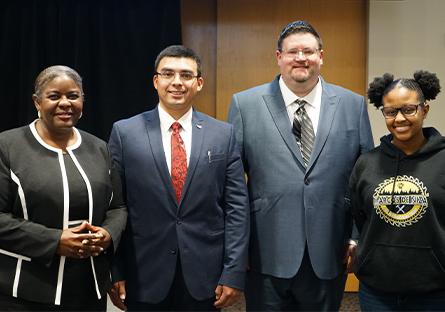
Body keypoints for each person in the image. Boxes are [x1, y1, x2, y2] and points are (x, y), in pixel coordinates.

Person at [227, 20, 374, 311]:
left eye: (309, 51)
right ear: (278, 56)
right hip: (265, 250)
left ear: (321, 56)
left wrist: (357, 237)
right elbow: (231, 184)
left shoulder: (352, 104)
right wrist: (236, 248)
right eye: (293, 51)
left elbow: (365, 180)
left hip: (330, 247)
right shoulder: (246, 104)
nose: (301, 58)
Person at [108, 45, 249, 311]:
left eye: (186, 75)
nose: (177, 82)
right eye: (168, 74)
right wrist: (116, 270)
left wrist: (233, 272)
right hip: (143, 273)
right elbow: (115, 206)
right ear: (156, 80)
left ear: (199, 83)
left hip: (206, 275)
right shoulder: (125, 133)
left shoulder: (223, 134)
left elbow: (237, 209)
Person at [0, 65, 127, 311]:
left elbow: (118, 207)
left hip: (88, 291)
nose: (65, 103)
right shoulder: (7, 146)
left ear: (83, 100)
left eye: (73, 95)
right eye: (54, 96)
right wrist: (54, 240)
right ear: (37, 102)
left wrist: (107, 234)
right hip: (24, 292)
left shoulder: (99, 148)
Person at [350, 70, 445, 311]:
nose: (399, 119)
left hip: (435, 291)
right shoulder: (367, 163)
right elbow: (359, 215)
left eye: (409, 109)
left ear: (425, 109)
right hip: (377, 291)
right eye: (390, 112)